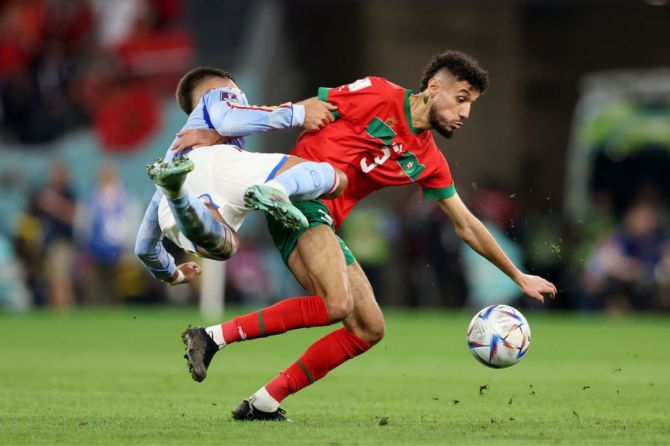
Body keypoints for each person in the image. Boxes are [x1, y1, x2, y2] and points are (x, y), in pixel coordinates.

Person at [175, 50, 558, 422]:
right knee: (337, 304)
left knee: (369, 328)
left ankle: (264, 402)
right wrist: (226, 138)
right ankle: (212, 336)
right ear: (433, 87)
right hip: (296, 194)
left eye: (470, 104)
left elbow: (466, 223)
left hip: (323, 217)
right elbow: (307, 110)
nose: (465, 113)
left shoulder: (428, 160)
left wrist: (517, 275)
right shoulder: (378, 93)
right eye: (460, 99)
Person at [134, 67, 347, 291]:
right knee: (335, 178)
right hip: (222, 162)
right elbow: (229, 121)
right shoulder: (216, 93)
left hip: (178, 193)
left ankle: (179, 197)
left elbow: (144, 247)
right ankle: (276, 188)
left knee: (225, 246)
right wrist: (298, 114)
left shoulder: (173, 156)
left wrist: (173, 274)